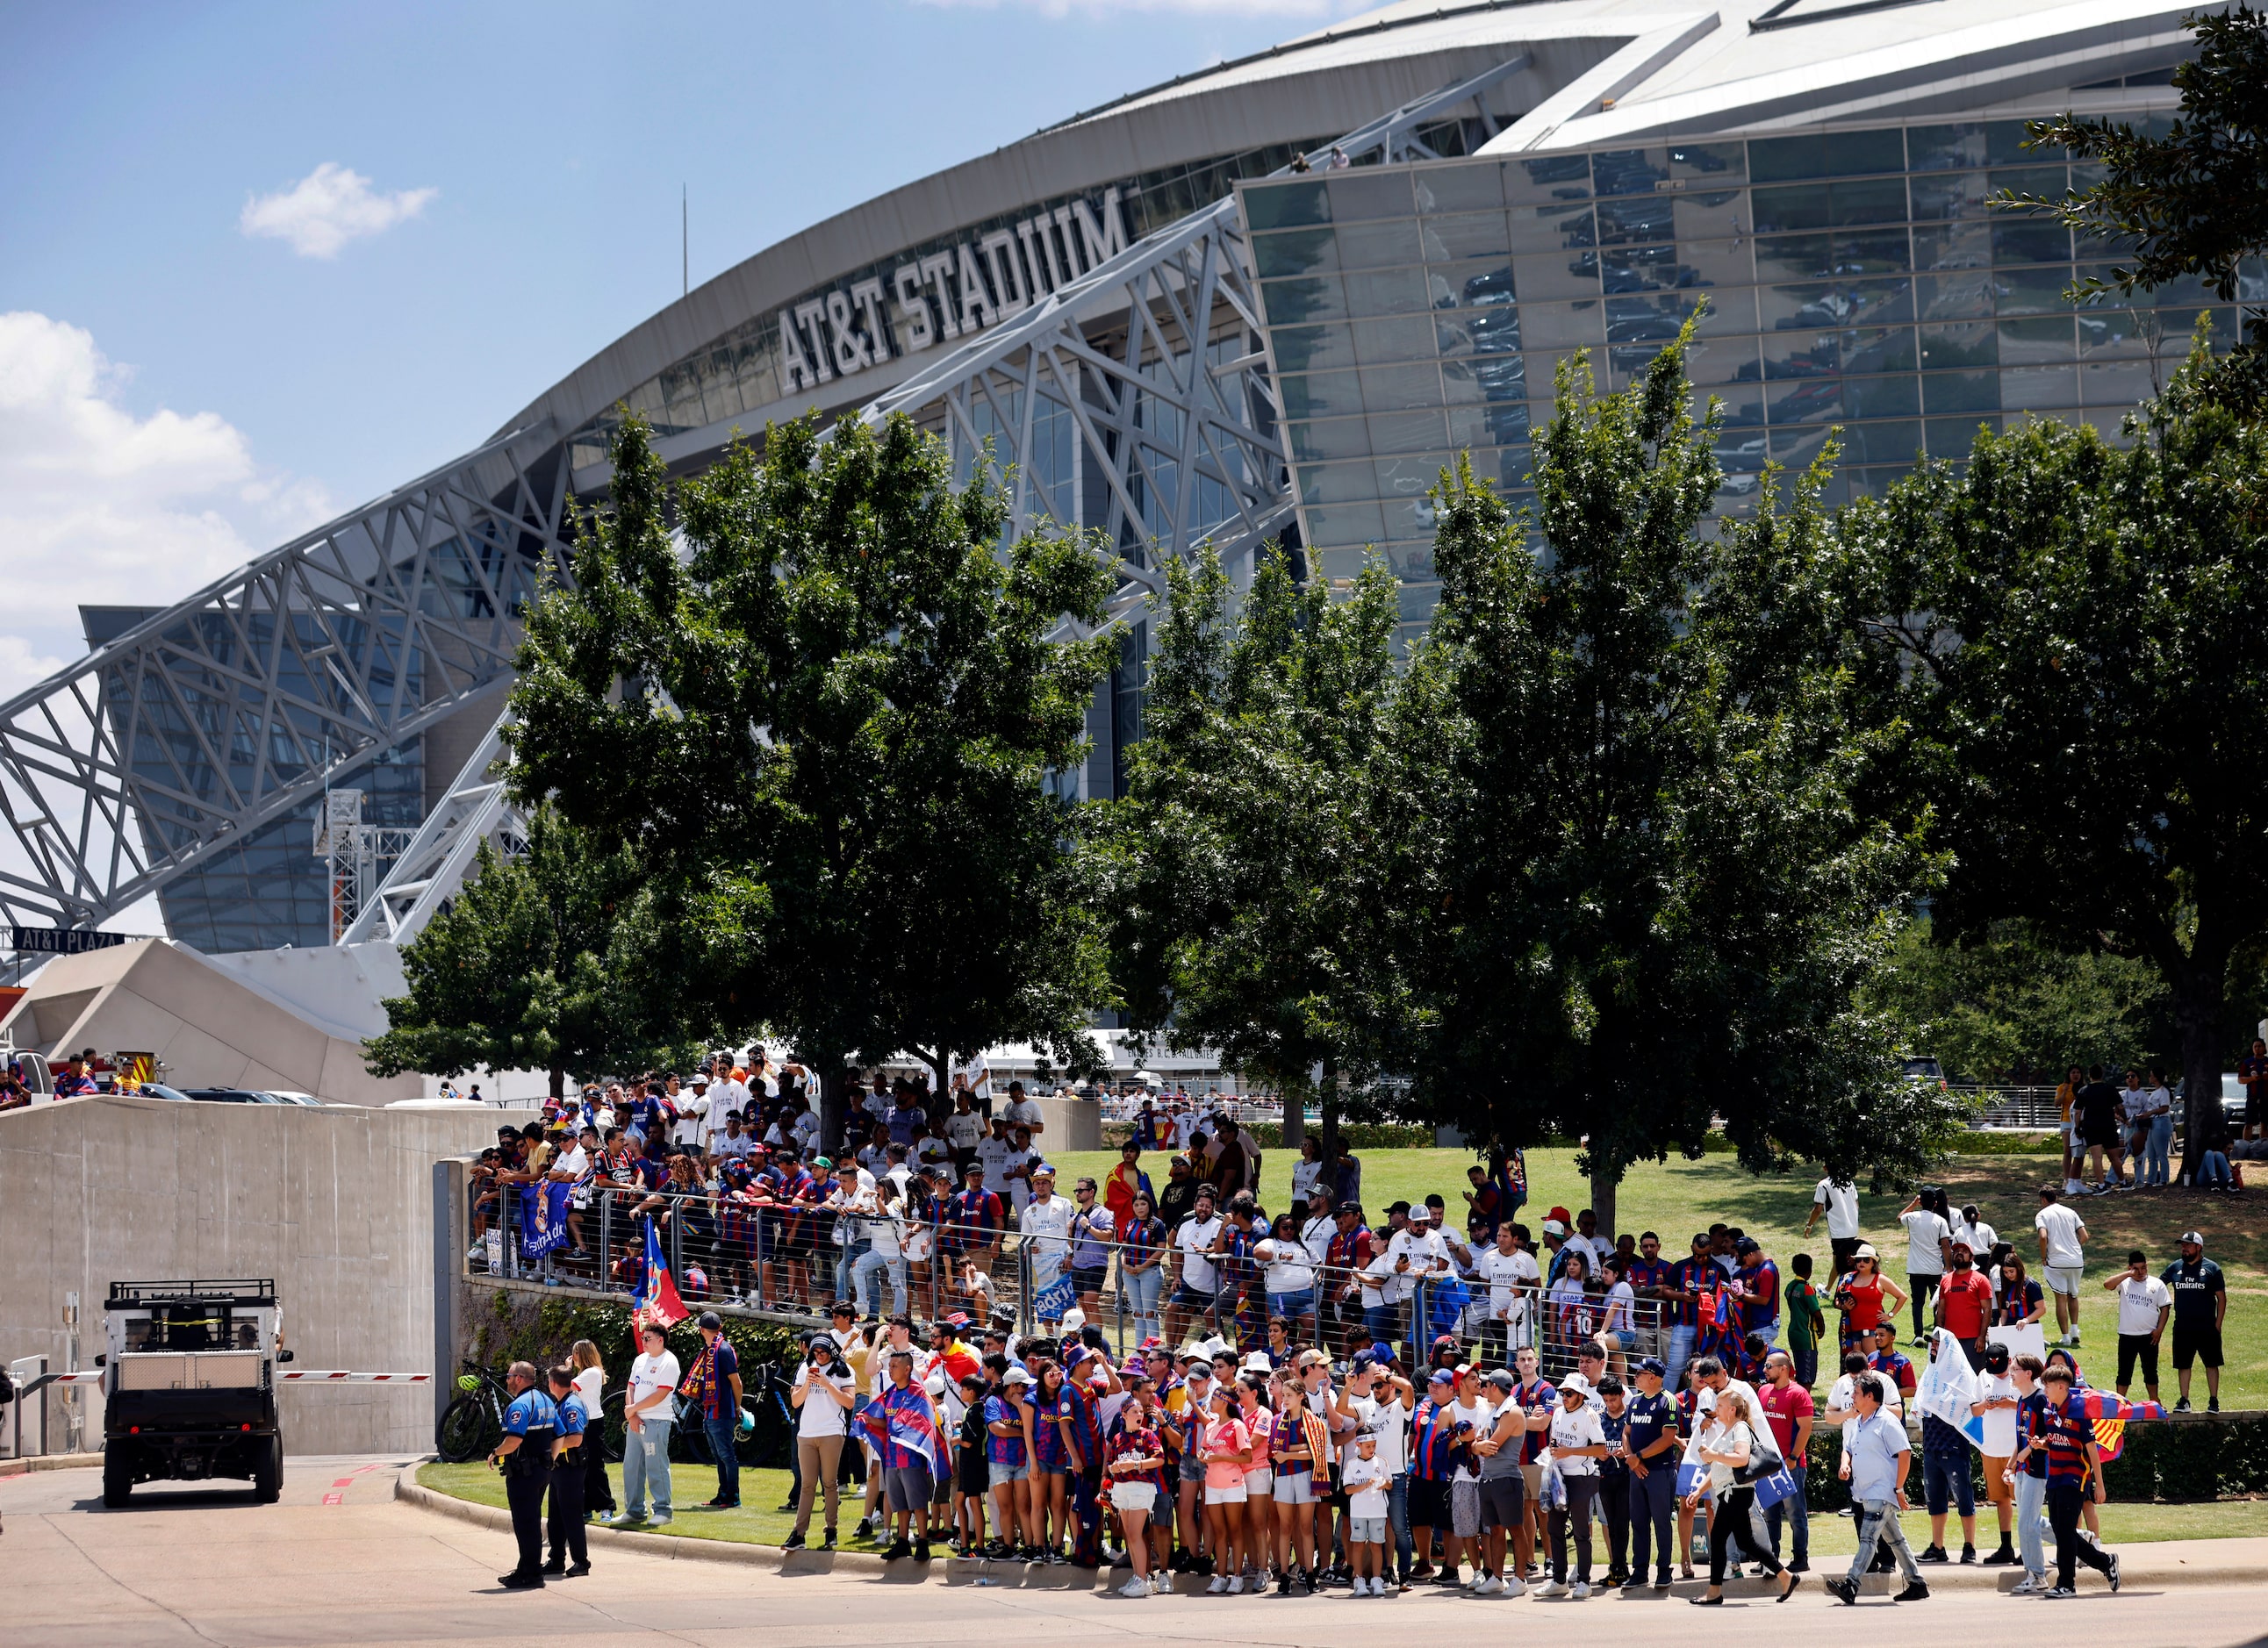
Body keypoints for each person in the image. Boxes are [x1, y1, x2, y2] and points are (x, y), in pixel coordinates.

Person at [2017, 1364, 2121, 1598]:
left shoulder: (2079, 1413)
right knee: (2061, 1529)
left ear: (2062, 1386)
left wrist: (2099, 1485)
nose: (2044, 1388)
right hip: (2054, 1476)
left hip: (2075, 1477)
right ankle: (2106, 1562)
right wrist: (2039, 1443)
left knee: (2064, 1530)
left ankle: (2066, 1584)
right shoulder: (2049, 1411)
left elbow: (2092, 1451)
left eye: (2048, 1385)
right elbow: (2052, 1440)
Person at [1683, 1388, 1795, 1605]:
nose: (1716, 1410)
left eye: (1720, 1406)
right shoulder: (1728, 1431)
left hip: (1735, 1492)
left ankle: (1714, 1591)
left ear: (1732, 1409)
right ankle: (1786, 1577)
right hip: (1731, 1491)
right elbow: (1718, 1469)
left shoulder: (1740, 1429)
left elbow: (1742, 1459)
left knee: (1717, 1538)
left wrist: (1713, 1454)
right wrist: (1699, 1490)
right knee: (1746, 1541)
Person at [1824, 1373, 1927, 1605]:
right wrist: (1845, 1463)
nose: (1852, 1397)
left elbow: (1905, 1452)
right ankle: (1917, 1584)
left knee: (1867, 1537)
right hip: (1865, 1491)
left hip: (1882, 1492)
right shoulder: (1859, 1421)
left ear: (1870, 1397)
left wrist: (1899, 1488)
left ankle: (1851, 1584)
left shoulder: (1887, 1421)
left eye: (1857, 1393)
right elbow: (1848, 1448)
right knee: (1896, 1541)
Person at [486, 1359, 557, 1590]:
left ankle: (531, 1573)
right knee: (531, 1521)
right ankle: (527, 1568)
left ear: (518, 1378)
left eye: (508, 1376)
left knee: (525, 1524)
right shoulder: (547, 1401)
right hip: (542, 1471)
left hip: (524, 1474)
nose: (506, 1380)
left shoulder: (519, 1406)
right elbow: (560, 1435)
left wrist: (495, 1453)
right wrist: (550, 1462)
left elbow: (514, 1440)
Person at [784, 1335, 855, 1549]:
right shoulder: (805, 1368)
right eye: (815, 1353)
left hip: (832, 1432)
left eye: (822, 1352)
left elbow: (849, 1403)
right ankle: (799, 1533)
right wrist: (807, 1383)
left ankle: (831, 1530)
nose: (819, 1357)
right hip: (806, 1431)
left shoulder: (844, 1370)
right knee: (807, 1485)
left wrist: (827, 1384)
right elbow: (796, 1401)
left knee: (829, 1483)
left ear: (831, 1351)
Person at [1541, 1379, 1609, 1598]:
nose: (1565, 1396)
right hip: (1559, 1478)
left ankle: (1584, 1581)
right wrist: (1553, 1451)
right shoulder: (1559, 1413)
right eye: (1563, 1392)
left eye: (1570, 1392)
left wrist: (1570, 1452)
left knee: (1581, 1532)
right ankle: (1559, 1580)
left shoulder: (1589, 1416)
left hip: (1581, 1478)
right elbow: (1554, 1439)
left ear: (1581, 1395)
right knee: (1555, 1529)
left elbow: (1601, 1449)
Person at [614, 1322, 678, 1526]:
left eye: (647, 1338)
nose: (644, 1342)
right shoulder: (640, 1360)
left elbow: (661, 1394)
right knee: (631, 1466)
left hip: (657, 1420)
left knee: (656, 1466)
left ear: (660, 1340)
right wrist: (632, 1413)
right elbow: (631, 1386)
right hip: (636, 1421)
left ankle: (663, 1511)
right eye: (643, 1338)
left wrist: (633, 1409)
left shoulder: (669, 1362)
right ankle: (634, 1510)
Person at [678, 1311, 743, 1509]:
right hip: (711, 1410)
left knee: (727, 1455)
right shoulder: (712, 1350)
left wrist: (738, 1406)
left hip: (721, 1411)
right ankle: (723, 1494)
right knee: (718, 1456)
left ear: (702, 1330)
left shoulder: (721, 1350)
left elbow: (736, 1381)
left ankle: (733, 1496)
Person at [1756, 1350, 1813, 1572]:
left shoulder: (1798, 1393)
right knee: (1770, 1515)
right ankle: (1771, 1560)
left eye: (1769, 1366)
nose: (1764, 1370)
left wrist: (1793, 1457)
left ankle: (1801, 1558)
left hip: (1791, 1465)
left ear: (1783, 1369)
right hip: (1767, 1464)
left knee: (1795, 1514)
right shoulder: (1763, 1391)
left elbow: (1806, 1428)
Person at [1968, 1341, 2020, 1567]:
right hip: (1990, 1448)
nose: (1996, 1373)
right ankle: (2006, 1547)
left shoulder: (2019, 1376)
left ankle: (2028, 1547)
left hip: (2015, 1450)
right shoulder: (1983, 1377)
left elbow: (2032, 1406)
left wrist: (2011, 1404)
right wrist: (1985, 1405)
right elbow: (1974, 1410)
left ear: (2009, 1361)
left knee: (2024, 1501)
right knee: (2001, 1499)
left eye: (2000, 1368)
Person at [2163, 1229, 2226, 1411]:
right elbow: (2158, 1285)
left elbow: (2221, 1298)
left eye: (2187, 1245)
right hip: (2182, 1326)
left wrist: (2218, 1324)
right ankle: (2184, 1400)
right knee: (2183, 1364)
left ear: (2199, 1247)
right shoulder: (2174, 1267)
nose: (2184, 1248)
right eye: (2182, 1245)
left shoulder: (2212, 1269)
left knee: (2212, 1363)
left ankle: (2214, 1401)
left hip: (2207, 1326)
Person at [542, 1364, 591, 1578]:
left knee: (571, 1516)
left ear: (553, 1383)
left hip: (571, 1469)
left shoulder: (571, 1405)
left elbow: (576, 1438)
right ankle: (557, 1559)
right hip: (559, 1468)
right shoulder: (560, 1403)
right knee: (555, 1517)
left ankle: (581, 1561)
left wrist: (551, 1447)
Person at [2105, 1247, 2171, 1403]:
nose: (2141, 1272)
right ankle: (2120, 1403)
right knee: (2124, 1372)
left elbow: (2165, 1309)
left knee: (2150, 1371)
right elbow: (2107, 1284)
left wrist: (2159, 1330)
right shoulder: (2124, 1283)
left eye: (2144, 1268)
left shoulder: (2157, 1284)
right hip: (2127, 1334)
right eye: (2136, 1268)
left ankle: (2155, 1401)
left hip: (2149, 1335)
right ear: (2130, 1267)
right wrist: (2128, 1274)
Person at [2033, 1184, 2088, 1345]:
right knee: (2073, 1295)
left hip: (2056, 1262)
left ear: (2043, 1199)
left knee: (2061, 1298)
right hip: (2076, 1260)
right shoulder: (2070, 1212)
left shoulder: (2042, 1215)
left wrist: (2044, 1257)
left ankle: (2065, 1337)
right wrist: (2075, 1247)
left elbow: (2043, 1237)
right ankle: (2075, 1330)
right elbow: (2084, 1235)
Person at [1898, 1189, 1952, 1344]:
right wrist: (1949, 1268)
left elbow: (1899, 1217)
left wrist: (1913, 1204)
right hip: (1935, 1267)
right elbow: (1945, 1245)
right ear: (1935, 1203)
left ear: (1920, 1202)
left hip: (1916, 1268)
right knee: (1937, 1302)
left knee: (1917, 1302)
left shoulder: (1911, 1217)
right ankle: (1936, 1333)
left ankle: (1918, 1334)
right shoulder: (1940, 1221)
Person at [1805, 1173, 1862, 1273]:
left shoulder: (1824, 1185)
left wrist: (1809, 1226)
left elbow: (1818, 1209)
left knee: (1840, 1264)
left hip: (1838, 1230)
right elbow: (1856, 1205)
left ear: (1825, 1168)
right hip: (1852, 1229)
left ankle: (1840, 1287)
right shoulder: (1849, 1183)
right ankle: (1828, 1288)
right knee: (1847, 1262)